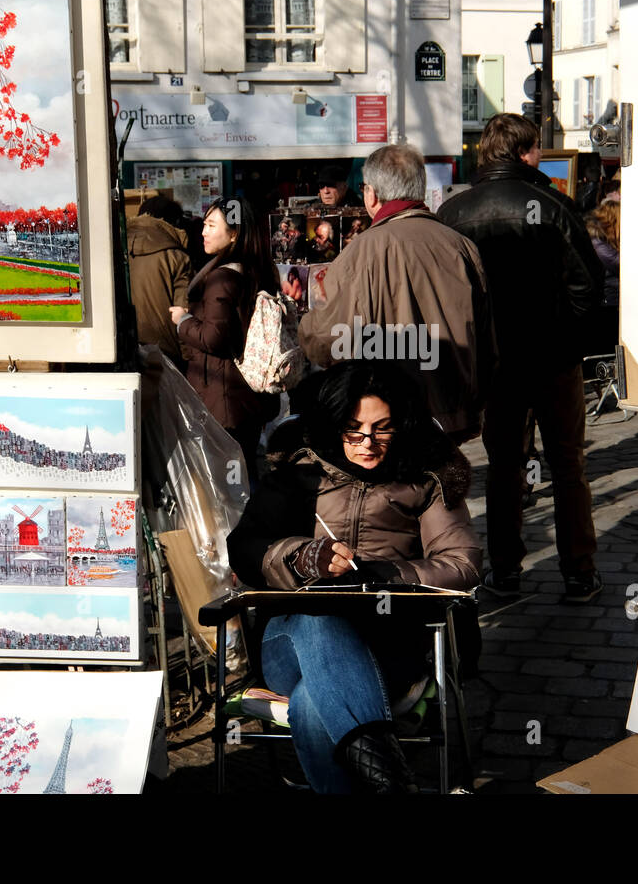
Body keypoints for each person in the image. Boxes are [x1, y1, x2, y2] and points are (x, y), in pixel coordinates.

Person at [227, 361, 481, 793]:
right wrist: (304, 559)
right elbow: (245, 548)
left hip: (389, 638)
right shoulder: (298, 470)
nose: (367, 442)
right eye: (353, 428)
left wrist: (386, 574)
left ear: (402, 425)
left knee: (311, 703)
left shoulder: (425, 476)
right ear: (332, 422)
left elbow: (463, 562)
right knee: (319, 617)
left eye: (383, 429)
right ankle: (396, 784)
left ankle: (390, 786)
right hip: (291, 637)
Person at [437, 113, 607, 603]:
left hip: (496, 363)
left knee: (505, 465)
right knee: (568, 464)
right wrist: (564, 335)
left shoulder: (455, 213)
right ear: (525, 152)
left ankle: (506, 569)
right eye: (536, 149)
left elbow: (451, 295)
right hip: (552, 359)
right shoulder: (552, 205)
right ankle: (578, 571)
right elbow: (588, 285)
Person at [299, 143, 495, 444]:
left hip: (386, 415)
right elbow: (486, 340)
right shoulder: (461, 245)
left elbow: (328, 339)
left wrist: (305, 325)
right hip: (450, 413)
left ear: (373, 194)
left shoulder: (360, 252)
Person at [170, 197, 280, 480]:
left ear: (234, 233)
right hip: (247, 396)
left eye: (210, 225)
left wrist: (183, 320)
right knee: (243, 474)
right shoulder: (258, 270)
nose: (203, 231)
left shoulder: (222, 277)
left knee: (225, 486)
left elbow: (214, 337)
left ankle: (241, 526)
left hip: (224, 398)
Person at [127, 194, 193, 368]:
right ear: (173, 223)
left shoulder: (115, 250)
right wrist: (188, 359)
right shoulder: (177, 257)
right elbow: (183, 310)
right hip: (165, 354)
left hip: (123, 350)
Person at [584, 199, 620, 350]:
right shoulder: (598, 243)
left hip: (609, 301)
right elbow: (620, 264)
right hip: (606, 304)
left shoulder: (602, 241)